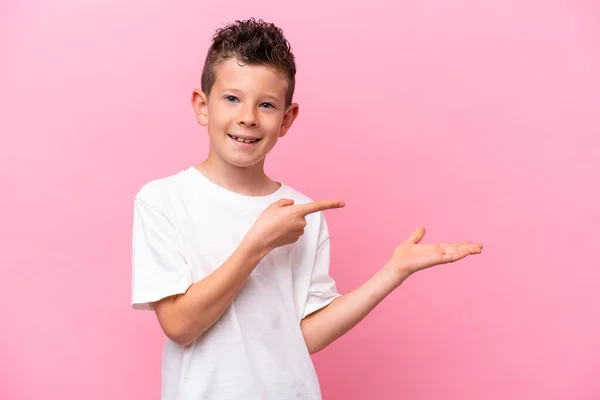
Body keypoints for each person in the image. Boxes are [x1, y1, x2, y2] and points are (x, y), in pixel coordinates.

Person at [131, 18, 483, 400]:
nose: (248, 117)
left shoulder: (301, 213)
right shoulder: (163, 200)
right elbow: (180, 325)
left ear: (286, 119)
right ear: (202, 106)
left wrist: (392, 272)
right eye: (232, 98)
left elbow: (306, 336)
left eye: (266, 104)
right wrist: (257, 244)